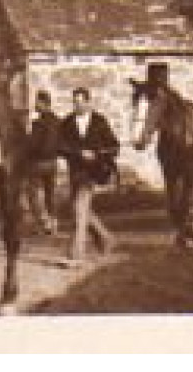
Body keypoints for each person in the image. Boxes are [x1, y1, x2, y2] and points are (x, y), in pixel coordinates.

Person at [58, 86, 118, 266]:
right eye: (74, 102)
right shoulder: (67, 122)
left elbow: (114, 147)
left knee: (79, 209)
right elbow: (59, 146)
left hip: (95, 172)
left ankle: (75, 256)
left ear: (88, 102)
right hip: (75, 172)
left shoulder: (100, 121)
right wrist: (78, 153)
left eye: (81, 102)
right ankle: (107, 239)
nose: (77, 105)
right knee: (81, 210)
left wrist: (97, 154)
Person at [22, 90, 62, 235]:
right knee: (50, 193)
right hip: (53, 162)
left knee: (31, 193)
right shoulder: (58, 121)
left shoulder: (38, 123)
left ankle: (44, 222)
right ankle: (53, 223)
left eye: (37, 102)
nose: (35, 105)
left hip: (38, 163)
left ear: (43, 103)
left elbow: (33, 144)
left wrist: (26, 146)